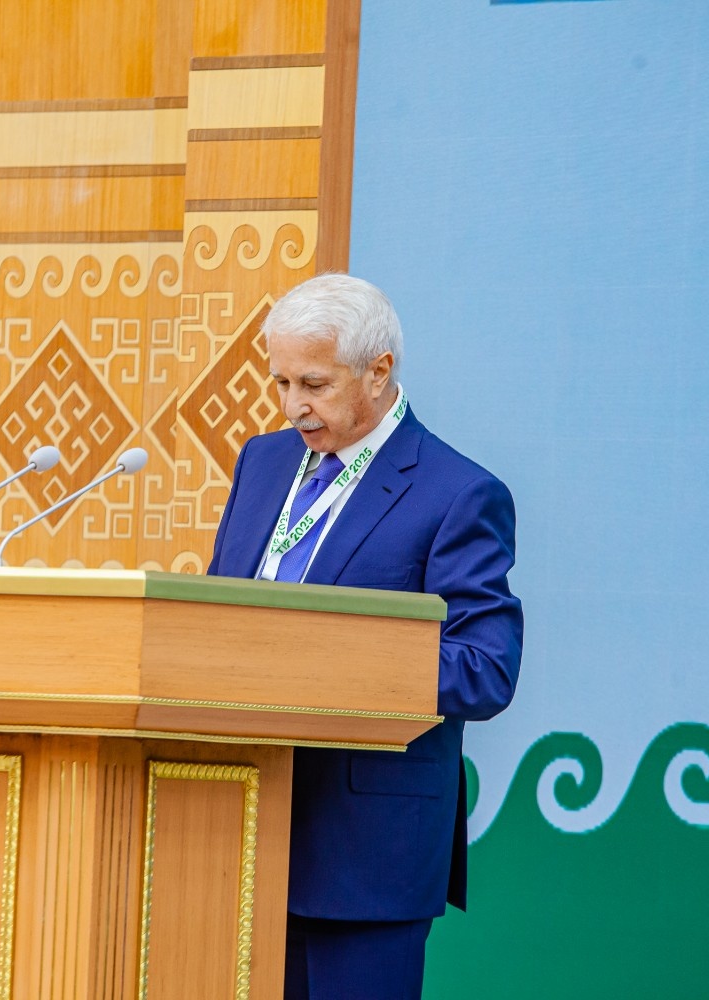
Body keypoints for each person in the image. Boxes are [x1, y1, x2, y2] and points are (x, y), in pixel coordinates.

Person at [207, 273, 524, 1000]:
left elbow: (485, 668)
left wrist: (331, 662)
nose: (293, 406)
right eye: (281, 382)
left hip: (363, 853)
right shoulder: (263, 461)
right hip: (232, 829)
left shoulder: (458, 493)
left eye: (314, 384)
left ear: (378, 371)